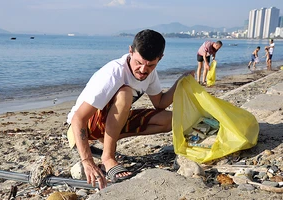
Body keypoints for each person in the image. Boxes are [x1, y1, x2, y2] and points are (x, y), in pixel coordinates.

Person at [66, 29, 194, 189]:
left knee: (171, 120)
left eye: (150, 65)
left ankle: (108, 140)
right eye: (138, 63)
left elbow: (160, 103)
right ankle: (108, 157)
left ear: (160, 59)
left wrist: (180, 82)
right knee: (125, 92)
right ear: (130, 51)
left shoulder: (150, 74)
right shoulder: (114, 73)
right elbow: (78, 119)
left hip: (111, 121)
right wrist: (87, 161)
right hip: (85, 126)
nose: (142, 70)